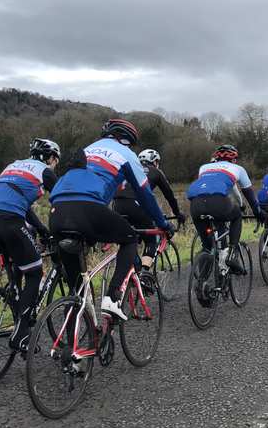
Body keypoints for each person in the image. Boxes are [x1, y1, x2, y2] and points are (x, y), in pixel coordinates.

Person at [49, 119, 174, 320]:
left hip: (56, 211)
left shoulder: (88, 149)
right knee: (130, 238)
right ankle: (113, 298)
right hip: (88, 208)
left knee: (77, 290)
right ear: (127, 140)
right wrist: (163, 224)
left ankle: (72, 343)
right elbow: (145, 195)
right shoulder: (126, 155)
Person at [0, 138, 61, 351]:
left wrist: (41, 231)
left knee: (19, 263)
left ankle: (14, 294)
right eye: (56, 161)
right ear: (51, 158)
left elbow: (21, 204)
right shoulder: (45, 171)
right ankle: (21, 334)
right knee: (34, 272)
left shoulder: (12, 165)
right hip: (8, 219)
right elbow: (63, 199)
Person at [186, 144, 261, 274]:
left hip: (196, 204)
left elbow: (208, 186)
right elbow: (248, 194)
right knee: (236, 215)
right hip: (217, 202)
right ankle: (231, 255)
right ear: (233, 159)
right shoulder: (238, 169)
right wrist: (258, 212)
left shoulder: (204, 168)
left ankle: (202, 285)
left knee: (207, 246)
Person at [113, 148, 186, 271]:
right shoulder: (155, 171)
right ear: (155, 161)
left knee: (129, 239)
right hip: (137, 205)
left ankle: (132, 270)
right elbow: (169, 195)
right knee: (152, 240)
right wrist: (178, 213)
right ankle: (143, 274)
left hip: (117, 205)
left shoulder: (129, 169)